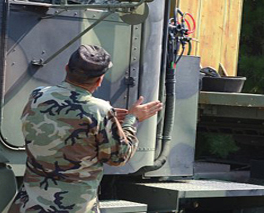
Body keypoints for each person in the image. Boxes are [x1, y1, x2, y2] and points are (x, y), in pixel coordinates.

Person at [9, 44, 162, 212]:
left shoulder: (38, 95)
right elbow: (119, 157)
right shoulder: (100, 110)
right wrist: (132, 119)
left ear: (66, 68)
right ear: (100, 79)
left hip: (29, 206)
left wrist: (106, 119)